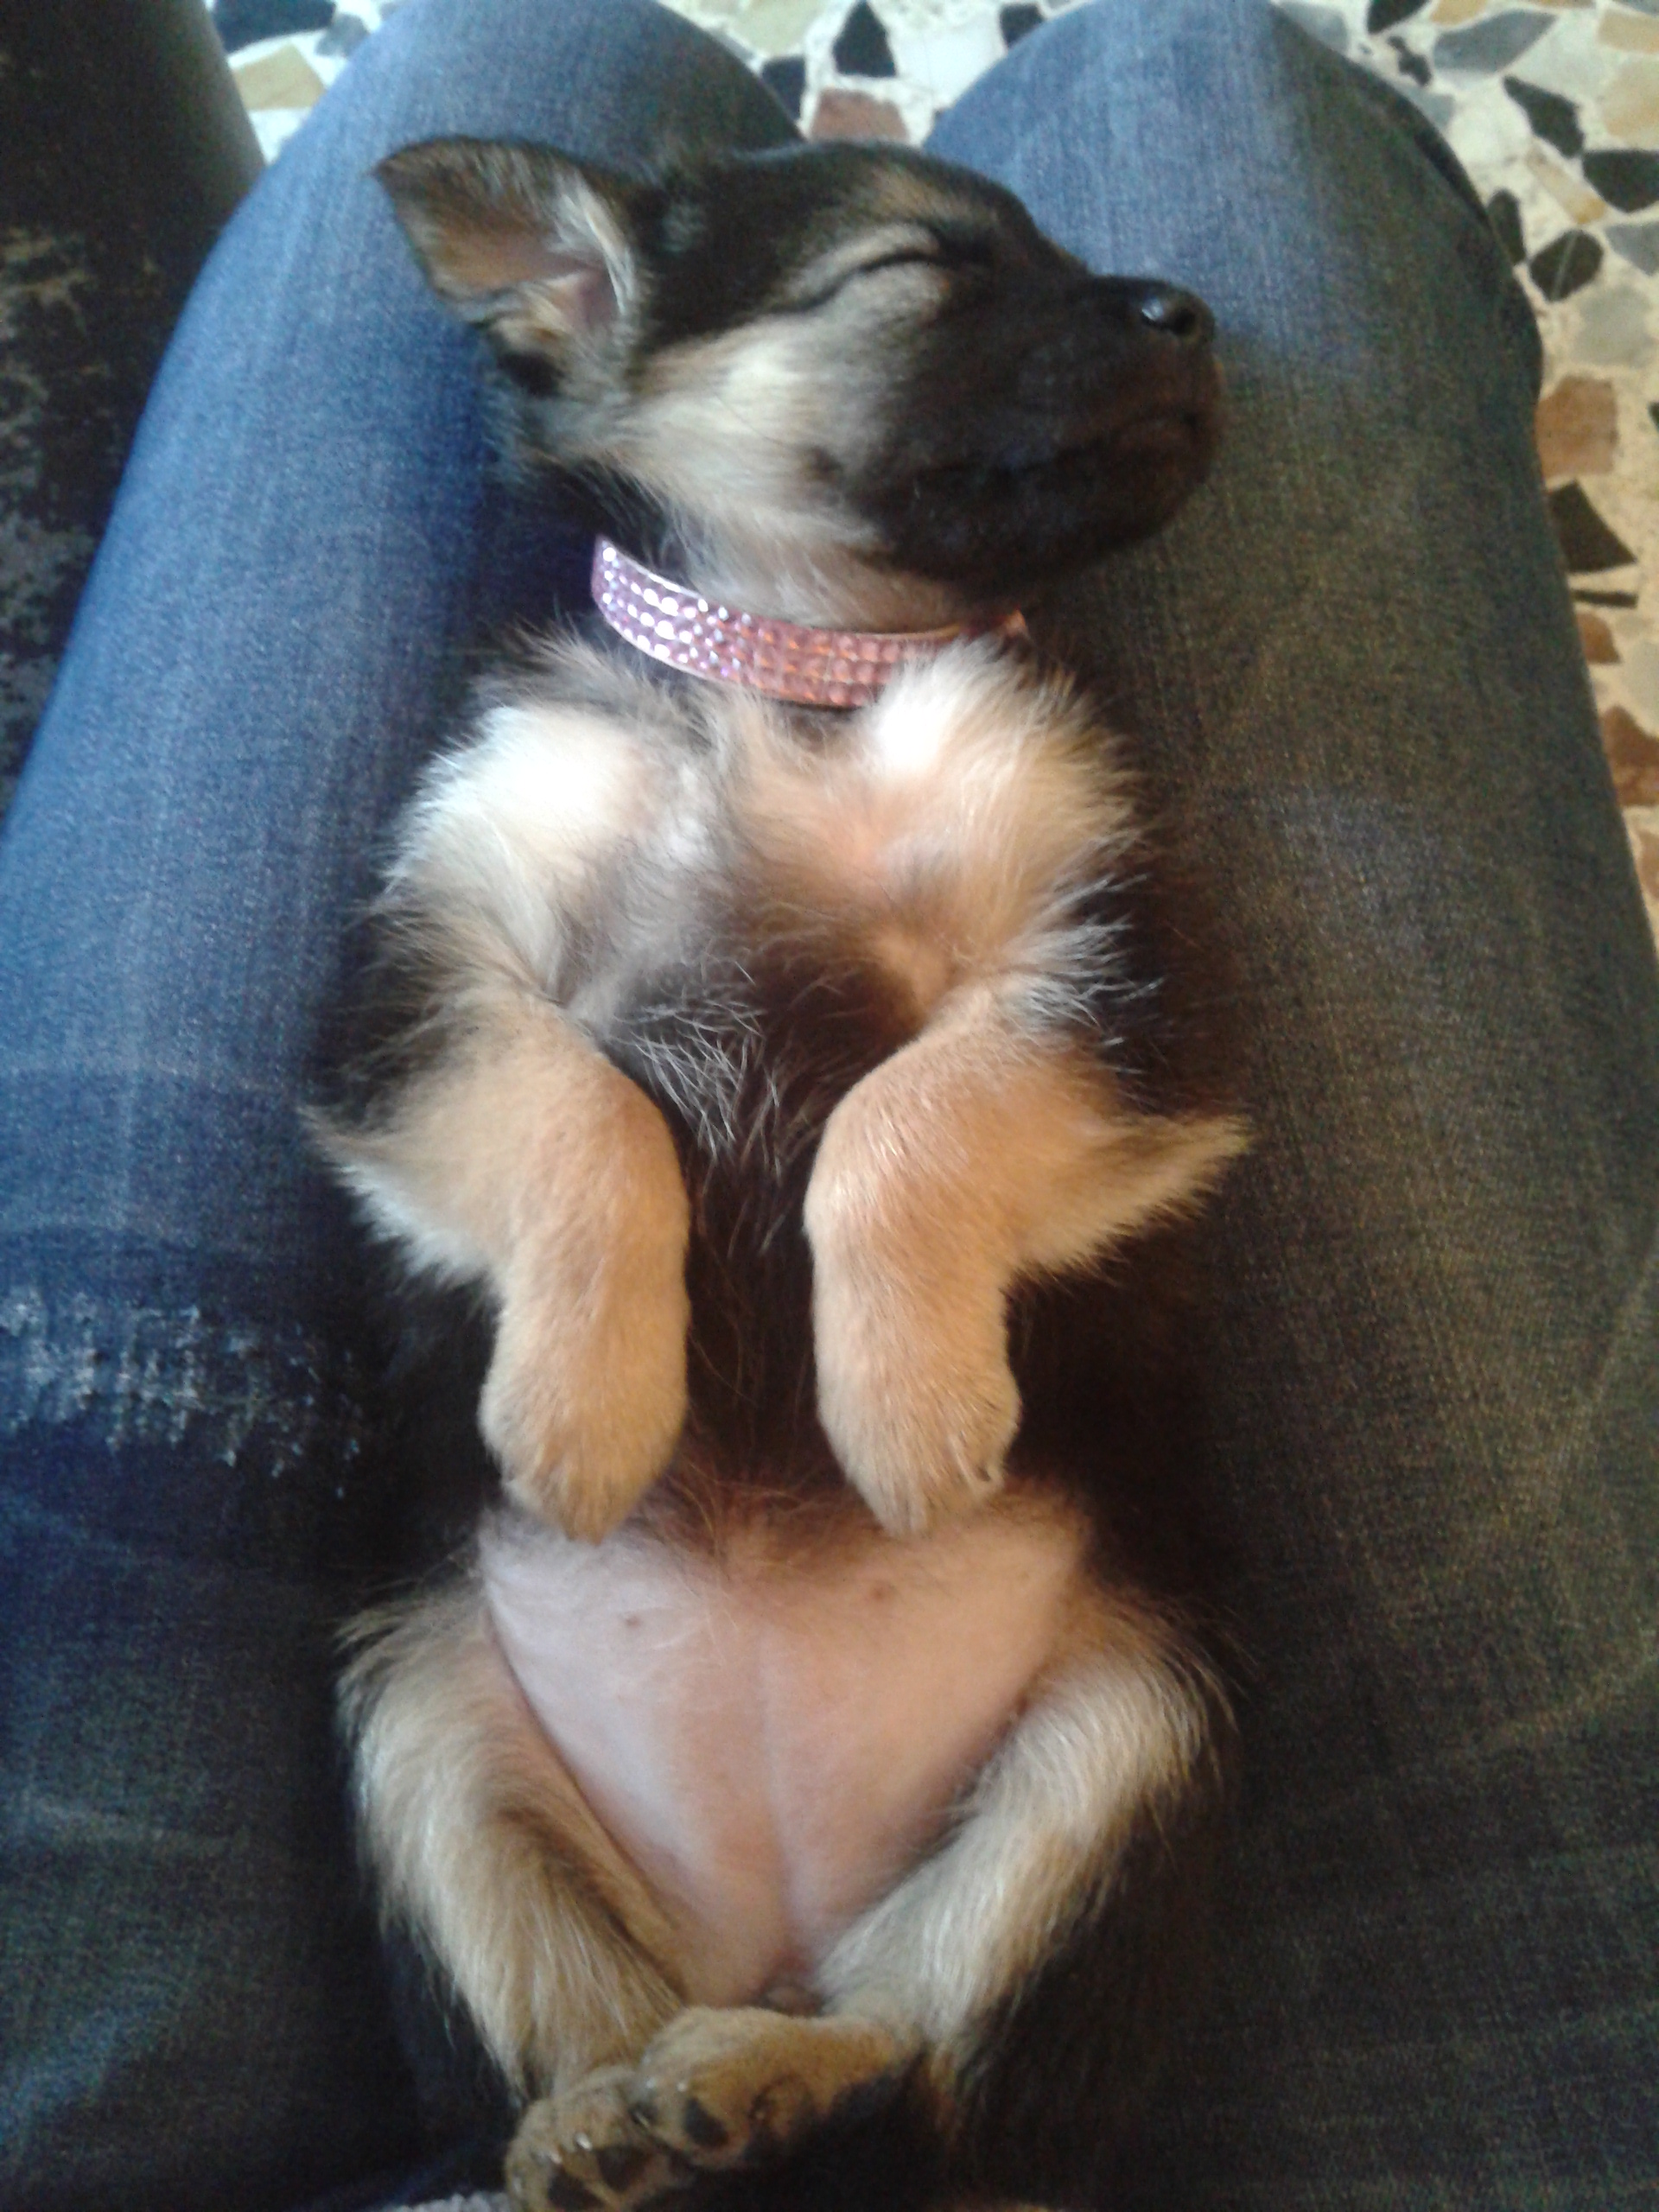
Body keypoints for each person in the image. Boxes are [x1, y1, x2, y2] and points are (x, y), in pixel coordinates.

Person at [1, 2, 1654, 2207]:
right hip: (618, 1696)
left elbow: (1139, 1064)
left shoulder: (996, 732)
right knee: (1205, 68)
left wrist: (909, 1198)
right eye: (916, 283)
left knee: (1134, 1701)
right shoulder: (557, 739)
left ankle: (859, 2064)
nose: (1148, 318)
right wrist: (584, 1206)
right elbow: (409, 1066)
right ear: (586, 327)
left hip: (914, 1638)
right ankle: (719, 2085)